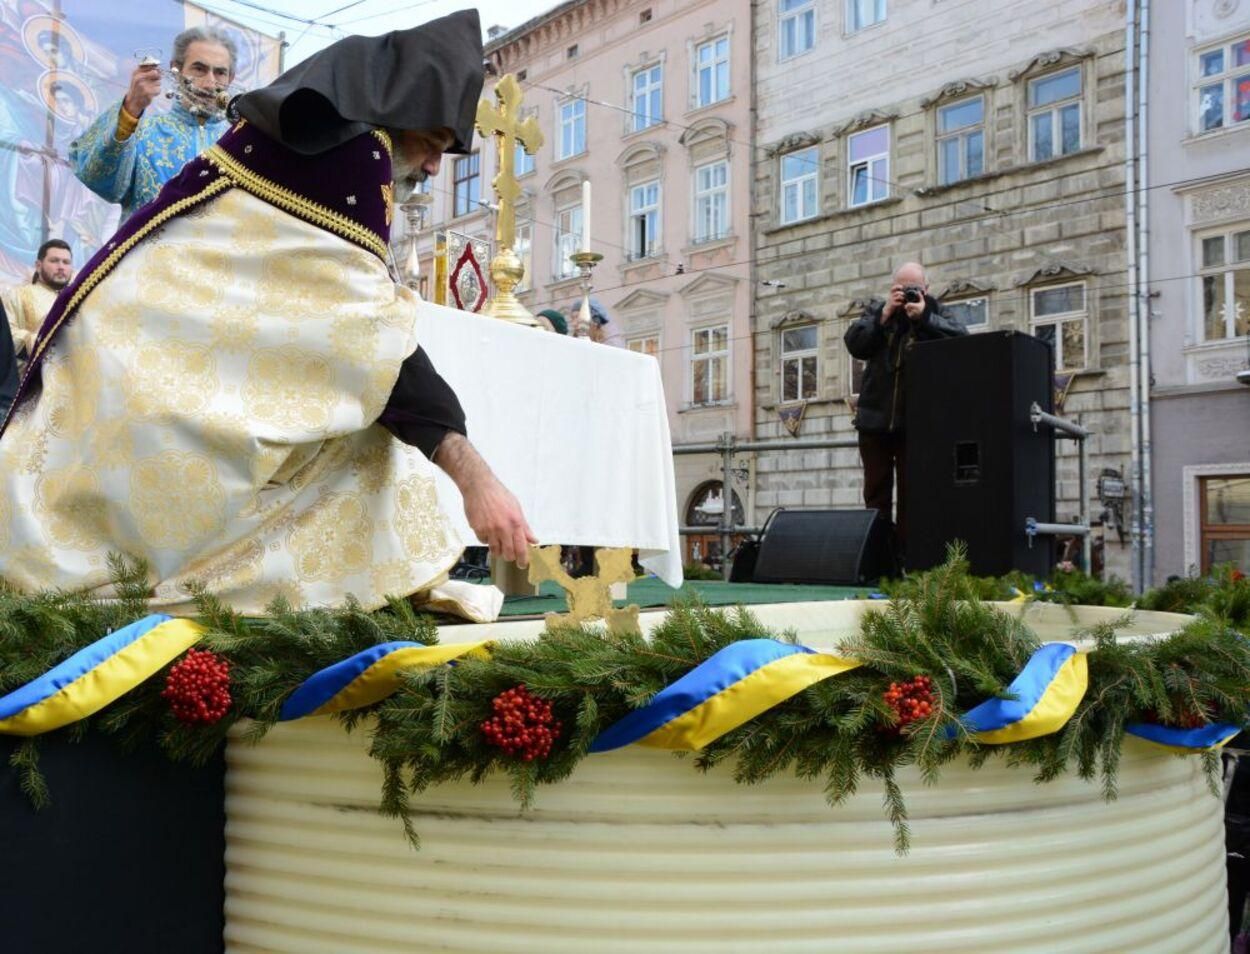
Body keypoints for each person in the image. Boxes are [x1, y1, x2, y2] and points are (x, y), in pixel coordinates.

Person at [0, 11, 534, 621]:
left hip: (173, 341)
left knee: (350, 413)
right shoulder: (354, 156)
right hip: (155, 352)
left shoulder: (321, 138)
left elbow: (340, 323)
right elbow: (372, 340)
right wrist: (476, 478)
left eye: (220, 70)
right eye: (435, 145)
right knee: (361, 418)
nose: (437, 168)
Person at [843, 262, 966, 558]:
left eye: (915, 289)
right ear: (892, 288)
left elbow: (962, 339)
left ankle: (909, 560)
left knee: (914, 497)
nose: (909, 294)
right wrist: (884, 313)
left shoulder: (937, 312)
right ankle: (877, 558)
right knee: (875, 494)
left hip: (917, 424)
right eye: (902, 288)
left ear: (927, 289)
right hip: (875, 421)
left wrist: (924, 318)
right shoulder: (878, 312)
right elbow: (855, 344)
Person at [69, 26, 236, 221]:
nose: (209, 83)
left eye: (220, 73)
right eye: (199, 69)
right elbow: (97, 177)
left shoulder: (241, 143)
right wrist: (130, 109)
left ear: (231, 78)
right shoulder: (143, 131)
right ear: (176, 70)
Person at [1, 238, 71, 358]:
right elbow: (6, 336)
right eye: (54, 261)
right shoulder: (17, 294)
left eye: (66, 262)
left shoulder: (77, 299)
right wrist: (42, 340)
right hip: (32, 373)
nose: (61, 267)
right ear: (38, 266)